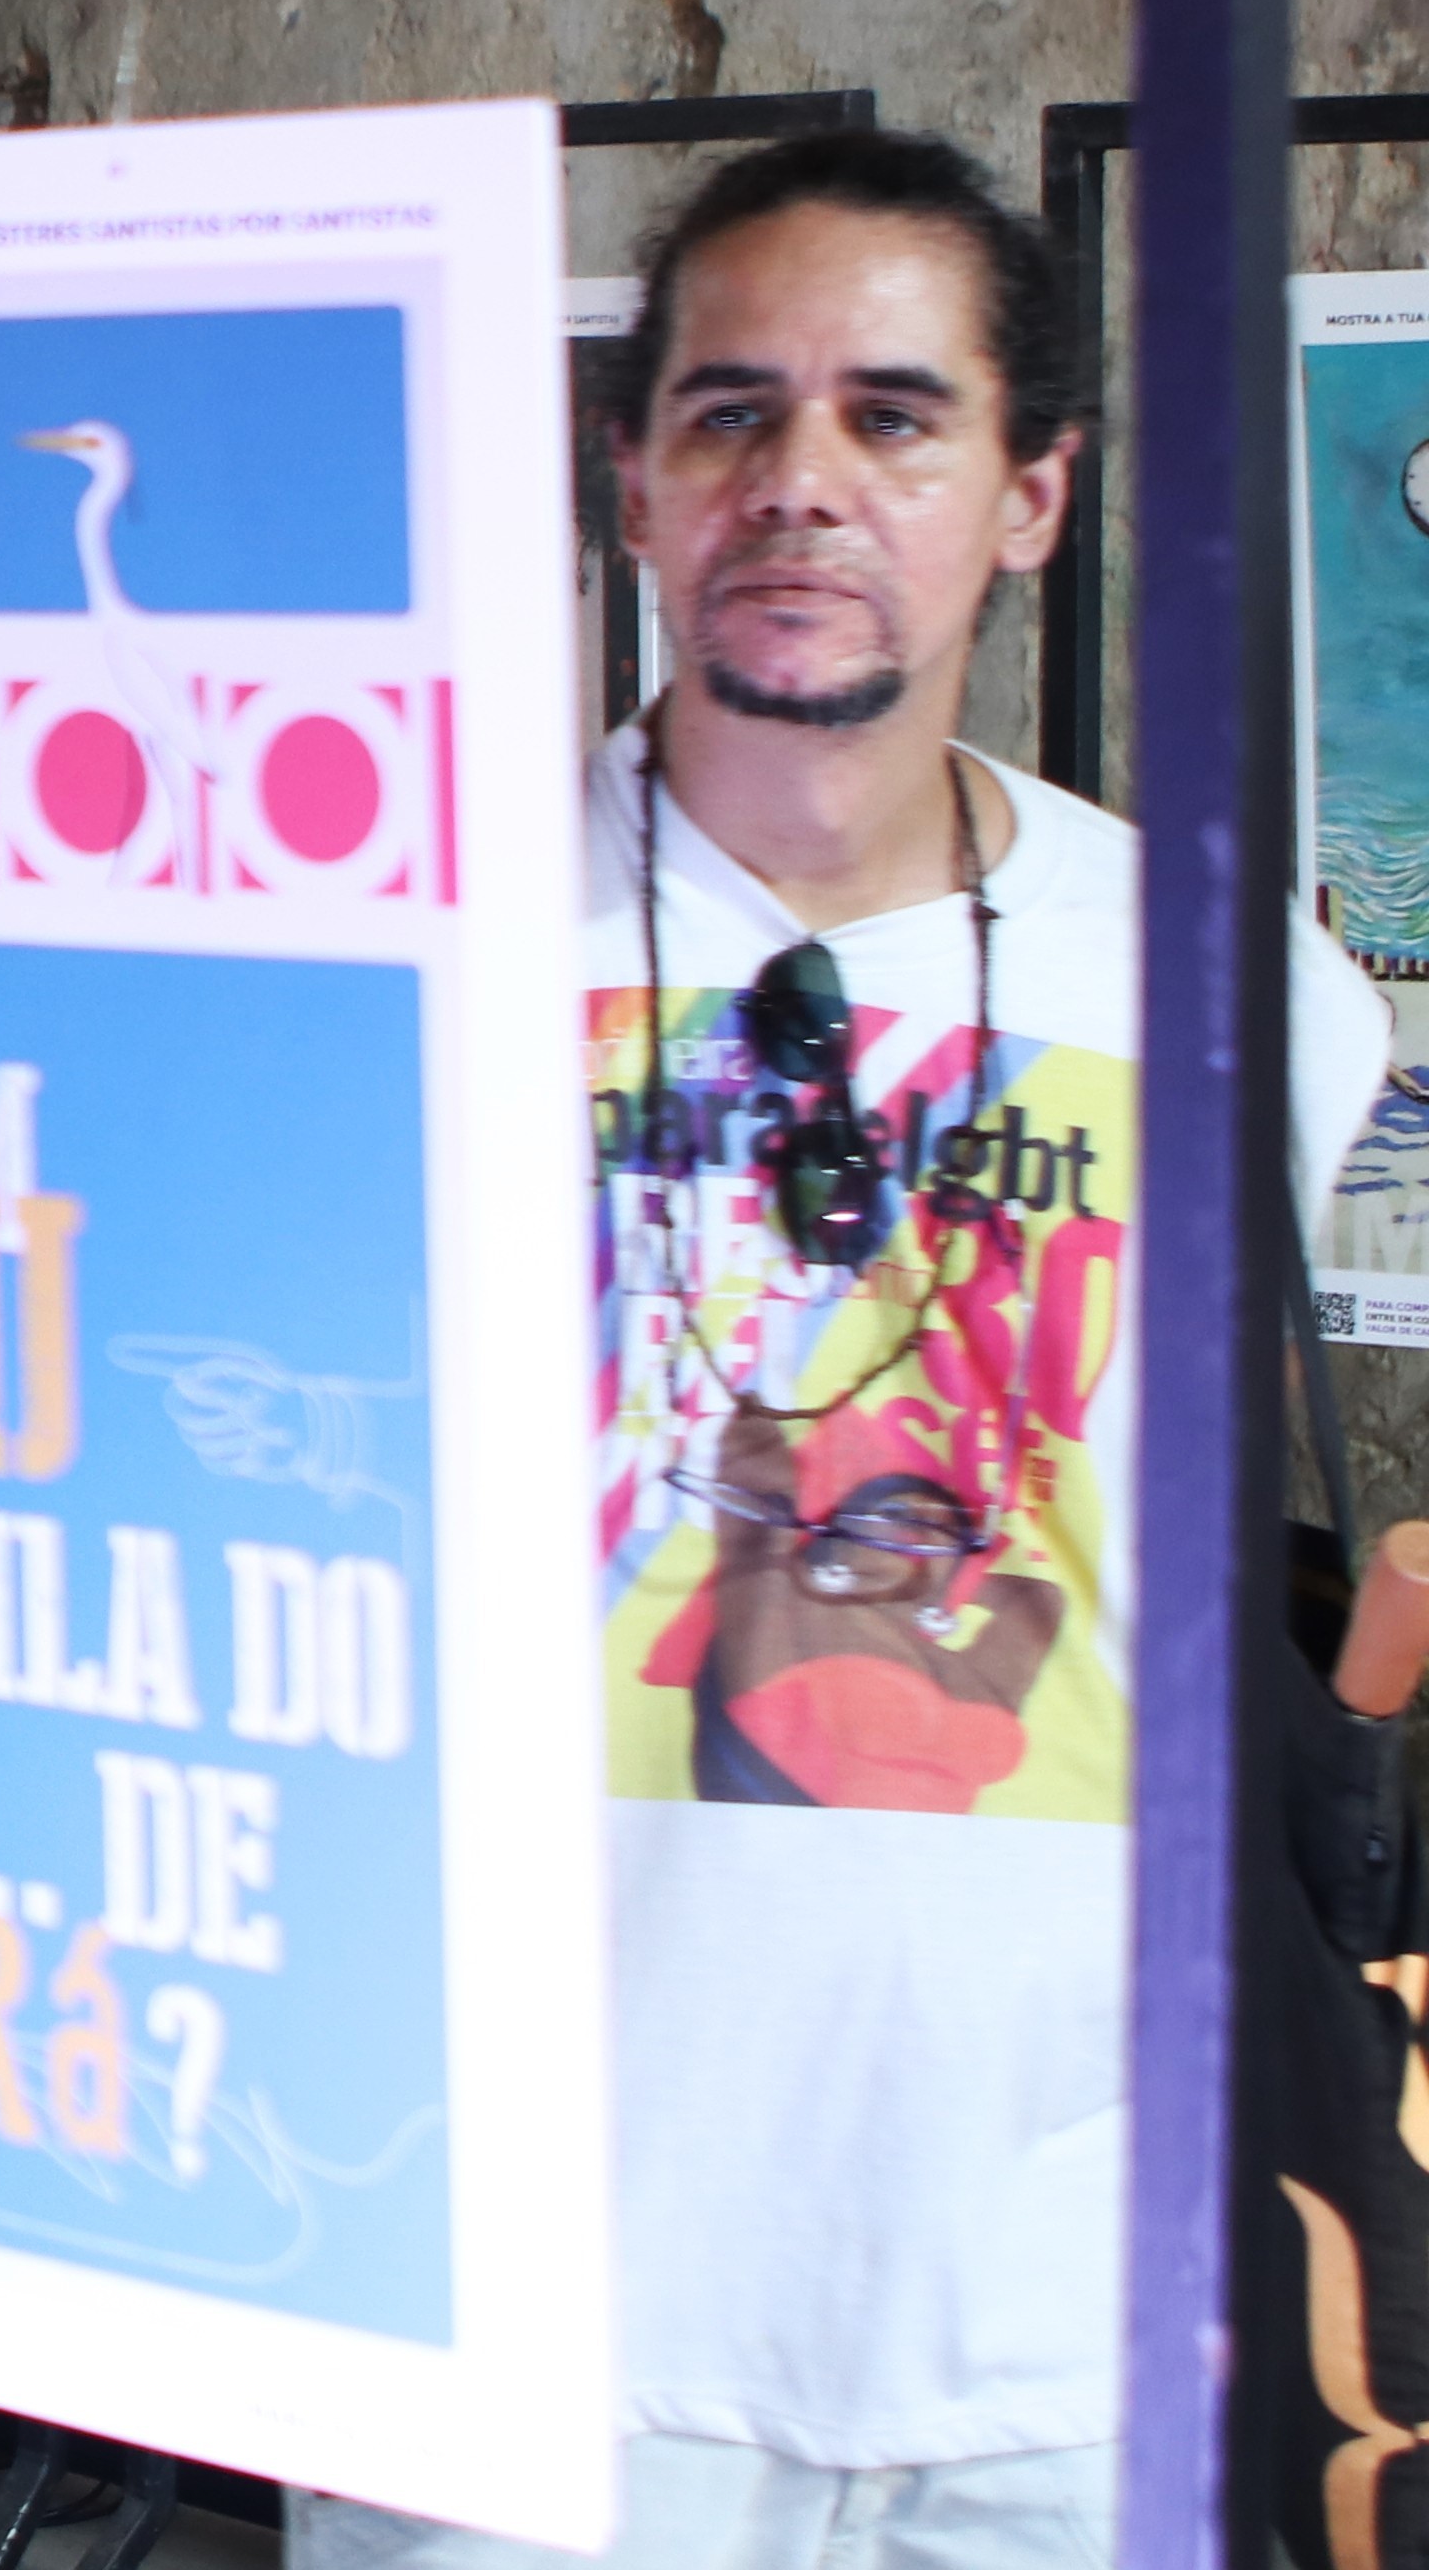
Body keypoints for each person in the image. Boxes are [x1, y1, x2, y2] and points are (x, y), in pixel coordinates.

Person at [297, 129, 1388, 2570]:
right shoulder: (387, 941)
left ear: (1029, 490)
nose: (804, 481)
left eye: (896, 414)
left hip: (1078, 2314)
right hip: (505, 2312)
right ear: (629, 483)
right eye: (730, 410)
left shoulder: (1245, 998)